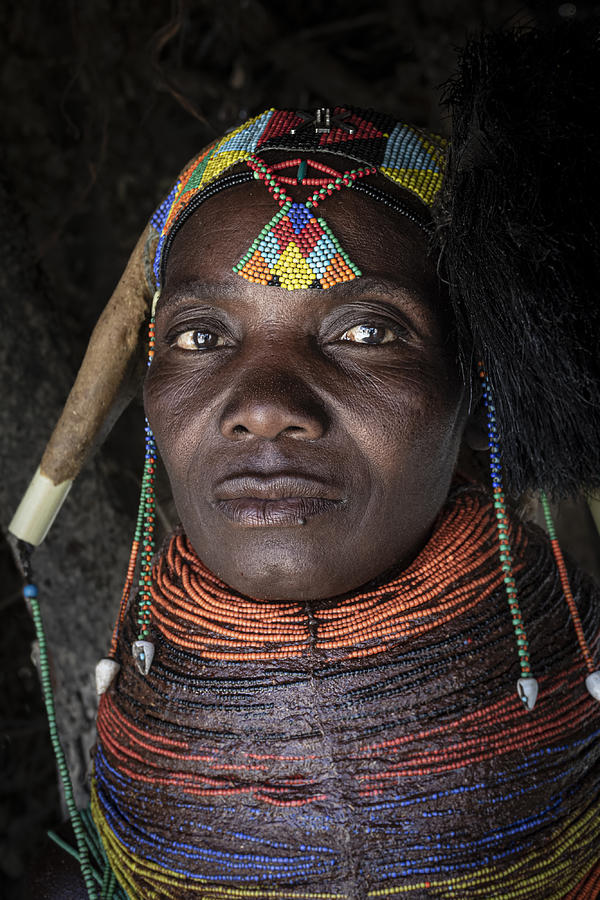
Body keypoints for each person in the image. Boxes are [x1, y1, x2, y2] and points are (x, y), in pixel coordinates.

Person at [12, 25, 600, 900]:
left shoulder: (569, 646)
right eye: (201, 335)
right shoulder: (140, 661)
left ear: (474, 384)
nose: (265, 406)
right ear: (150, 383)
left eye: (368, 333)